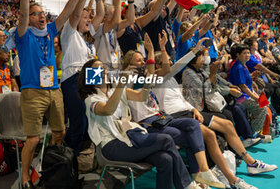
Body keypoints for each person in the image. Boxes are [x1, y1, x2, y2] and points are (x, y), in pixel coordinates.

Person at [16, 0, 94, 189]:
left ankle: (46, 169)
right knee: (32, 139)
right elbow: (22, 15)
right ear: (29, 19)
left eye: (42, 13)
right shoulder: (22, 35)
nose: (41, 16)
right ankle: (24, 177)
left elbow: (69, 11)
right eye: (36, 13)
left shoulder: (50, 30)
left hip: (55, 89)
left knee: (59, 133)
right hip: (32, 91)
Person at [121, 33, 225, 188]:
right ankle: (192, 182)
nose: (142, 62)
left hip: (160, 117)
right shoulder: (127, 79)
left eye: (144, 60)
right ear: (129, 64)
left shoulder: (148, 76)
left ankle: (199, 175)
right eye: (139, 60)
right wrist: (150, 52)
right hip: (147, 123)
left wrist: (164, 49)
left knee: (193, 126)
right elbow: (153, 73)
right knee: (190, 136)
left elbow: (171, 68)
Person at [78, 58, 200, 189]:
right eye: (97, 69)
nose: (102, 71)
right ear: (89, 76)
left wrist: (147, 80)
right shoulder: (90, 99)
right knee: (166, 139)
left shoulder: (116, 91)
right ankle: (187, 185)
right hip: (110, 146)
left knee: (165, 159)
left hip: (129, 138)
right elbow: (108, 109)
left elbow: (142, 97)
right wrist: (121, 83)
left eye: (103, 68)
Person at [152, 40, 258, 189]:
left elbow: (181, 99)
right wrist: (189, 50)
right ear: (157, 66)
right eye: (167, 61)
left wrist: (193, 110)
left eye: (170, 61)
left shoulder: (172, 79)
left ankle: (249, 163)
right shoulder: (156, 77)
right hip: (174, 115)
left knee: (226, 123)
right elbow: (181, 66)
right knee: (210, 135)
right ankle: (229, 178)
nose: (170, 63)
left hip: (188, 111)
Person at [182, 49, 278, 176]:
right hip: (195, 110)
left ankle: (237, 155)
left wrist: (219, 79)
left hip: (204, 108)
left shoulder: (201, 70)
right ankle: (248, 159)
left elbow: (214, 85)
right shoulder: (188, 73)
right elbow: (205, 89)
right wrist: (213, 74)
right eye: (201, 56)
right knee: (230, 116)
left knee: (227, 116)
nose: (205, 59)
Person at [60, 0, 99, 155]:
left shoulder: (86, 42)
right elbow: (76, 12)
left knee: (92, 117)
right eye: (85, 17)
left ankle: (84, 155)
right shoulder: (69, 32)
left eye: (88, 18)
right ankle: (70, 159)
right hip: (73, 80)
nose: (88, 20)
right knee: (79, 120)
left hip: (88, 79)